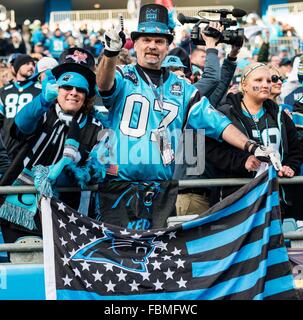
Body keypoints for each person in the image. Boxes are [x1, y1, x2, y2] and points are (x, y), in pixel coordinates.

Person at [95, 3, 277, 226]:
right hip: (119, 184)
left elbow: (217, 123)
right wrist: (110, 54)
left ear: (167, 45)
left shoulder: (182, 89)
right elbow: (104, 84)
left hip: (160, 188)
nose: (152, 46)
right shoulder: (124, 75)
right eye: (146, 40)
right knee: (117, 254)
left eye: (159, 41)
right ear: (136, 44)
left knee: (153, 258)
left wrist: (252, 146)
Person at [0, 47, 103, 244]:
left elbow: (97, 172)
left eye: (80, 89)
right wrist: (41, 101)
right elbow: (21, 126)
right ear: (57, 87)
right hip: (23, 215)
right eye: (67, 86)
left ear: (88, 94)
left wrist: (66, 172)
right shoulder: (42, 111)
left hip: (70, 220)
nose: (73, 93)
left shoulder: (95, 127)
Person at [204, 63, 303, 207]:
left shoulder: (280, 115)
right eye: (258, 80)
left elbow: (296, 150)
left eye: (269, 81)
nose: (265, 85)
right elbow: (211, 150)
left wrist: (289, 166)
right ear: (244, 85)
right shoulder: (225, 113)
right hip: (236, 199)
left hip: (274, 198)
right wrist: (242, 162)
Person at [0, 54, 41, 160]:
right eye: (27, 64)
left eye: (33, 64)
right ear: (18, 67)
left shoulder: (39, 90)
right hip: (6, 143)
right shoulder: (4, 91)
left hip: (29, 145)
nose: (31, 67)